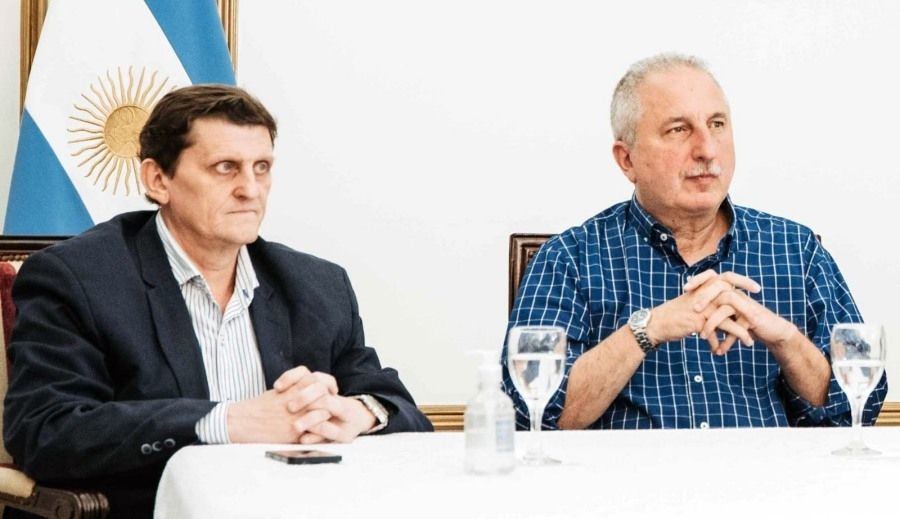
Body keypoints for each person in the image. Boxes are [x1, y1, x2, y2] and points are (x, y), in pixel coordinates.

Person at [3, 85, 432, 519]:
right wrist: (227, 422)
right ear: (158, 180)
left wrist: (354, 413)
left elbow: (396, 405)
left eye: (261, 167)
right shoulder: (77, 279)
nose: (251, 189)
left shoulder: (316, 284)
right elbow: (45, 431)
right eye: (226, 168)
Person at [502, 53, 887, 430]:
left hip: (765, 472)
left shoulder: (795, 251)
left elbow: (859, 408)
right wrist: (646, 330)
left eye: (717, 124)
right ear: (627, 160)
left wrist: (786, 339)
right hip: (629, 473)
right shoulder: (569, 258)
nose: (707, 149)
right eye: (678, 130)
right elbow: (533, 413)